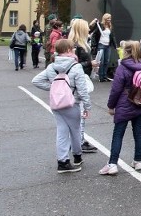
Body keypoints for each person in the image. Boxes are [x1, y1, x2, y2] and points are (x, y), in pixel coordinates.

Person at [32, 39, 92, 173]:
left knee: (61, 131)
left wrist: (55, 88)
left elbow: (36, 81)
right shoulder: (76, 67)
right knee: (75, 130)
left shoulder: (51, 66)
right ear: (69, 50)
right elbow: (82, 90)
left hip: (57, 103)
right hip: (72, 103)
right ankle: (77, 156)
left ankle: (63, 161)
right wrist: (87, 106)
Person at [99, 41, 141, 175]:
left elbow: (116, 89)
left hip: (124, 103)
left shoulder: (123, 68)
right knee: (138, 132)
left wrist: (111, 106)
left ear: (126, 51)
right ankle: (138, 161)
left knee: (118, 134)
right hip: (140, 102)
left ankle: (113, 164)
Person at [68, 19, 98, 154]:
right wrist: (89, 64)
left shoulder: (80, 43)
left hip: (82, 79)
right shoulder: (76, 46)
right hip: (77, 83)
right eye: (86, 28)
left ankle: (79, 139)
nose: (88, 30)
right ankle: (78, 141)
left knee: (79, 113)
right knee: (80, 113)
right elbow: (73, 66)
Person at [90, 13, 117, 82]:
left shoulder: (110, 26)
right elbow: (93, 33)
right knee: (101, 61)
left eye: (110, 18)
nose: (109, 19)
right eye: (108, 18)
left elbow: (112, 36)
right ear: (105, 18)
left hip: (108, 45)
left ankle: (104, 76)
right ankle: (101, 76)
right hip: (101, 45)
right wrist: (93, 44)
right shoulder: (100, 25)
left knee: (106, 61)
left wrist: (115, 45)